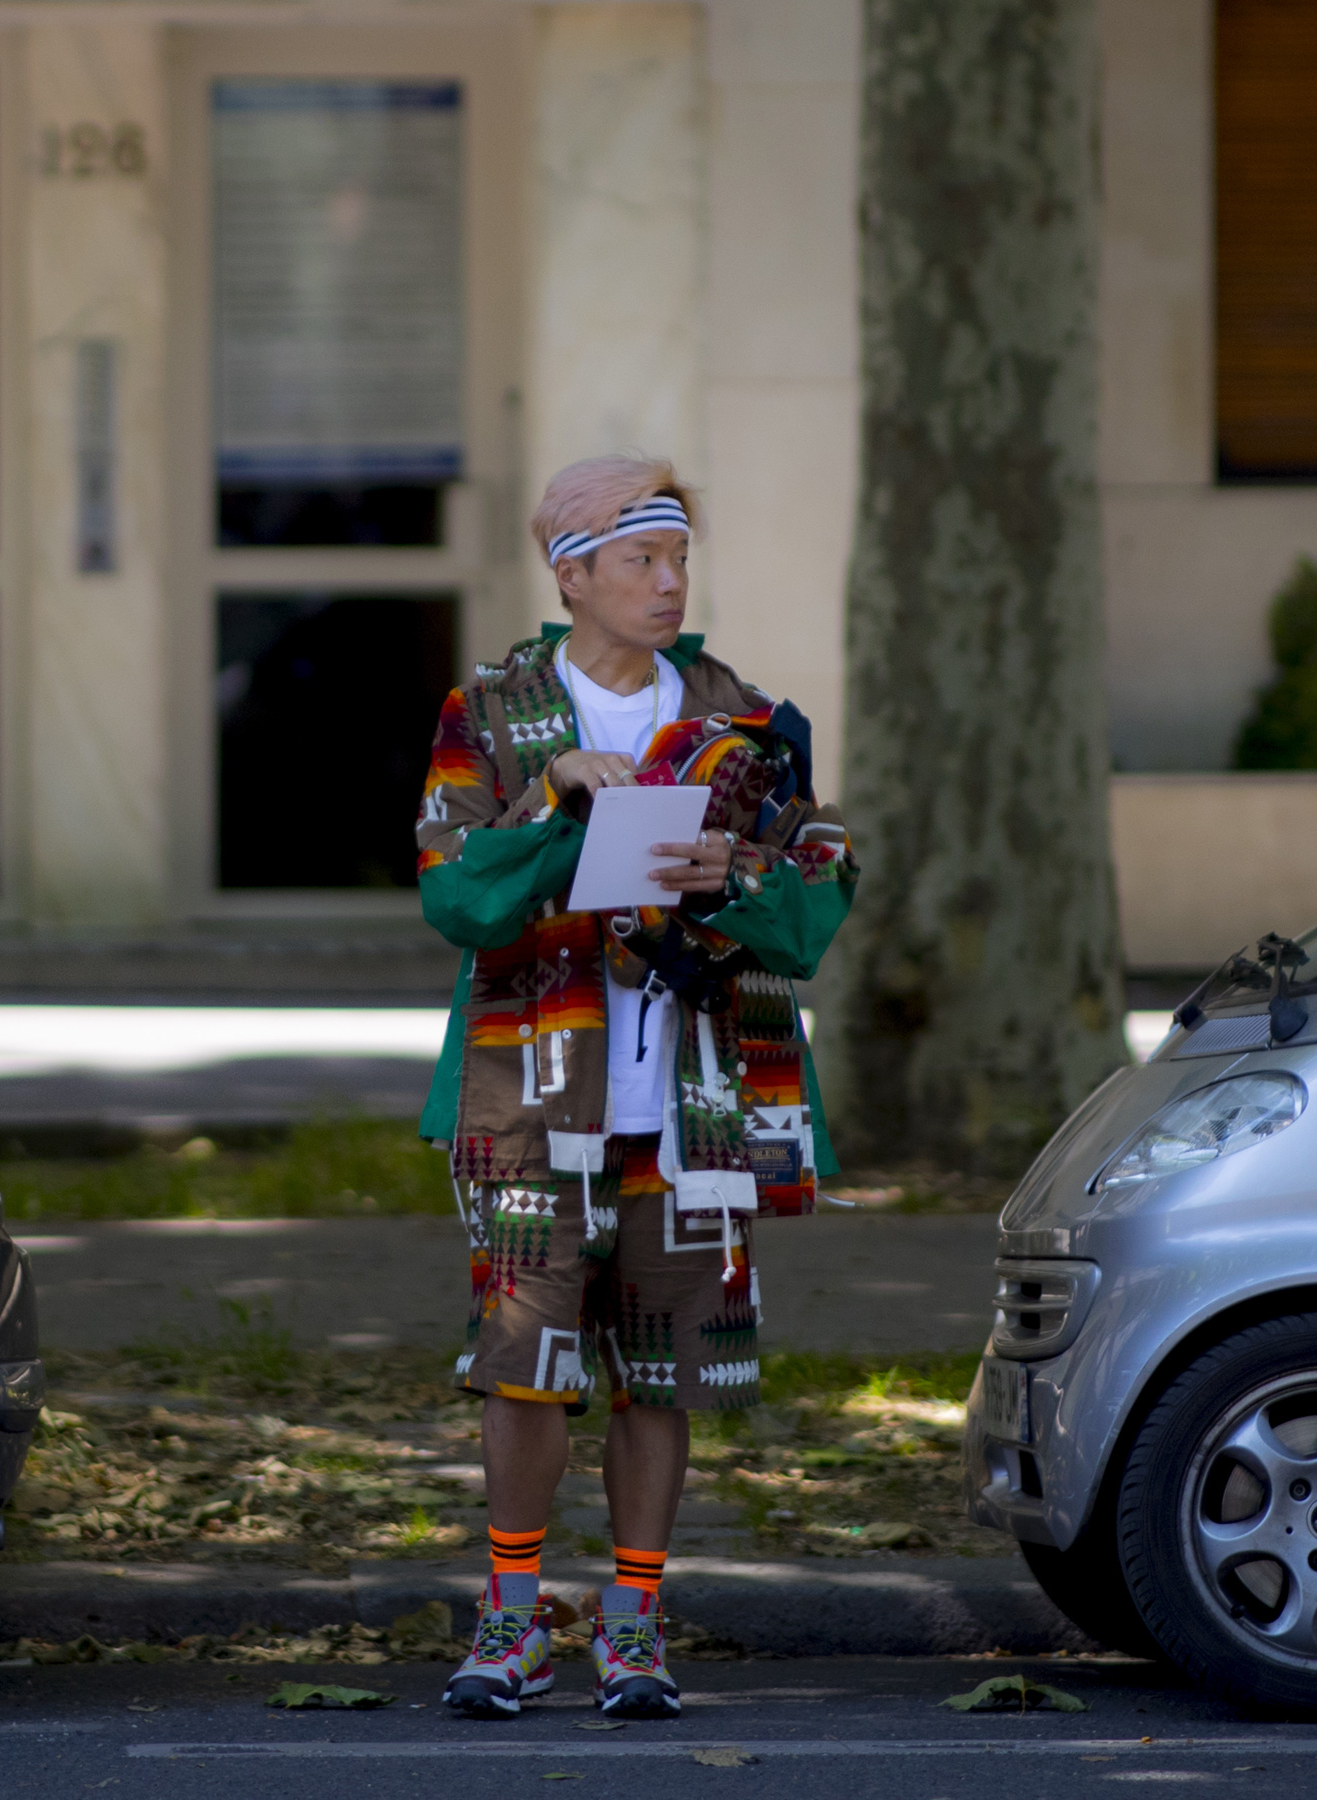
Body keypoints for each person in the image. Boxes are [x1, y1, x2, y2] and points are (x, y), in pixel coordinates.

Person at [412, 454, 856, 1720]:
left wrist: (738, 874)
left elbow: (818, 897)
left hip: (698, 1103)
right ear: (572, 577)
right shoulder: (491, 714)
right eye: (641, 563)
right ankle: (510, 1621)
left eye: (677, 562)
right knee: (523, 1362)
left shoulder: (744, 719)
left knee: (660, 1373)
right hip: (528, 1104)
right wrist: (555, 808)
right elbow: (453, 892)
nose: (669, 585)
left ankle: (635, 1626)